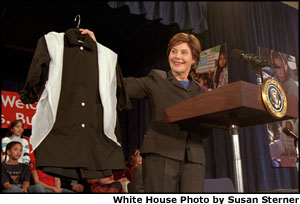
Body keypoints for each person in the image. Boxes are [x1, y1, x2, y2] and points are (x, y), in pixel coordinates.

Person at [84, 30, 212, 192]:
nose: (177, 56)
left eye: (184, 52)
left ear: (193, 59)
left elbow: (206, 130)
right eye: (174, 51)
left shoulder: (202, 92)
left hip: (194, 158)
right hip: (161, 155)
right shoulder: (157, 79)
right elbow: (121, 85)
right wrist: (98, 53)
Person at [19, 28, 131, 180]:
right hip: (60, 129)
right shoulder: (52, 43)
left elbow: (119, 88)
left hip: (95, 135)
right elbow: (37, 67)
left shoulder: (108, 56)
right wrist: (29, 92)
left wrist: (29, 94)